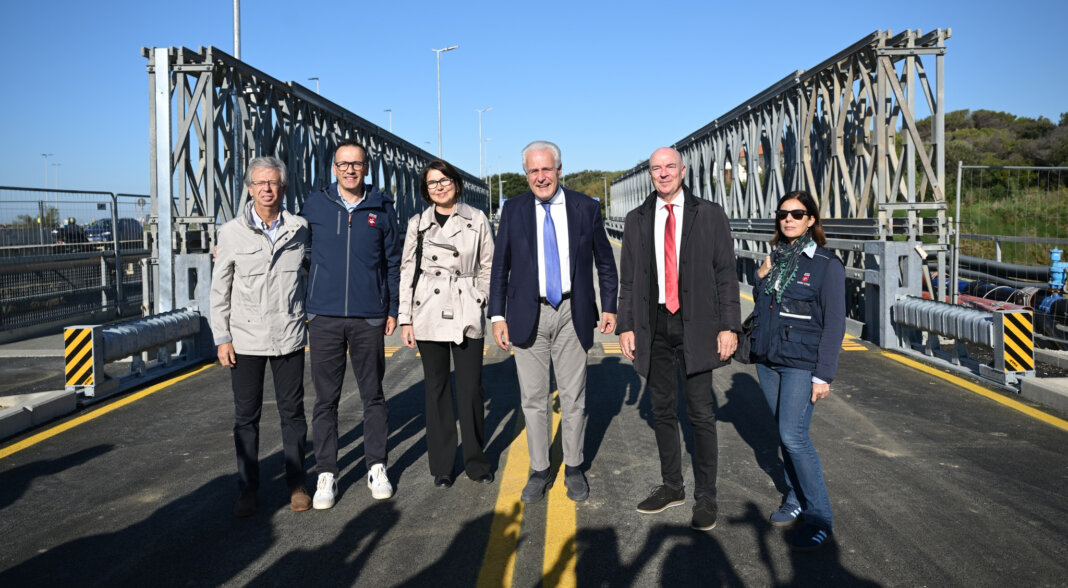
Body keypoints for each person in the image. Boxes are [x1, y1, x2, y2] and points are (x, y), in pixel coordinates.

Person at [616, 147, 740, 531]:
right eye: (656, 168)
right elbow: (630, 278)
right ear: (650, 174)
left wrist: (729, 326)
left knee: (701, 413)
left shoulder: (710, 214)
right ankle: (673, 486)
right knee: (663, 411)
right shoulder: (637, 219)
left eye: (670, 167)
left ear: (683, 170)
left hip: (698, 326)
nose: (664, 174)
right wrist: (626, 325)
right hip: (654, 326)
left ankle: (706, 496)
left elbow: (725, 273)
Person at [489, 140, 618, 503]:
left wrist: (609, 306)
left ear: (559, 170)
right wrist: (497, 316)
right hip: (525, 313)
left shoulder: (584, 207)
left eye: (547, 170)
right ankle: (540, 469)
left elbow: (605, 261)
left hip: (571, 312)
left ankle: (574, 467)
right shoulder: (512, 210)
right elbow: (500, 267)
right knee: (533, 398)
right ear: (526, 174)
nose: (541, 177)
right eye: (534, 171)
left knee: (574, 396)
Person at [300, 140, 401, 509]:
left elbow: (393, 262)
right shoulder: (314, 205)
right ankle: (327, 472)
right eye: (343, 164)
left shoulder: (382, 208)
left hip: (368, 316)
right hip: (323, 316)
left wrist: (392, 308)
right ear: (333, 168)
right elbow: (297, 250)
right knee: (326, 399)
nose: (350, 170)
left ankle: (377, 465)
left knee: (372, 395)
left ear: (366, 167)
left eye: (357, 164)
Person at [209, 156, 312, 517]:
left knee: (293, 414)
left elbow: (314, 274)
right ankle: (248, 488)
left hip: (288, 334)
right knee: (246, 417)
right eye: (259, 183)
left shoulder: (300, 229)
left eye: (273, 183)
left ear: (283, 188)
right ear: (249, 189)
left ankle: (297, 484)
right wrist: (222, 337)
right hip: (246, 338)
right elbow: (219, 290)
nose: (266, 189)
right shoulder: (231, 234)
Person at [751, 190, 845, 552]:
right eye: (783, 214)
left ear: (810, 220)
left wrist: (824, 376)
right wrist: (761, 279)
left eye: (797, 213)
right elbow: (763, 307)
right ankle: (793, 497)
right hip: (769, 358)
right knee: (786, 432)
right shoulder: (773, 257)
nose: (788, 219)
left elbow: (835, 322)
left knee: (793, 437)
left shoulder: (825, 264)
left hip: (801, 363)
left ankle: (820, 515)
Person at [398, 160, 494, 488]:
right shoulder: (418, 224)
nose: (439, 187)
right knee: (436, 388)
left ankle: (476, 462)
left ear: (456, 183)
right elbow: (407, 272)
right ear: (425, 191)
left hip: (465, 307)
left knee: (470, 390)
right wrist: (405, 318)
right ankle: (442, 466)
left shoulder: (476, 219)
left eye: (444, 181)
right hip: (428, 309)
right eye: (432, 184)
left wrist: (481, 297)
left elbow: (489, 265)